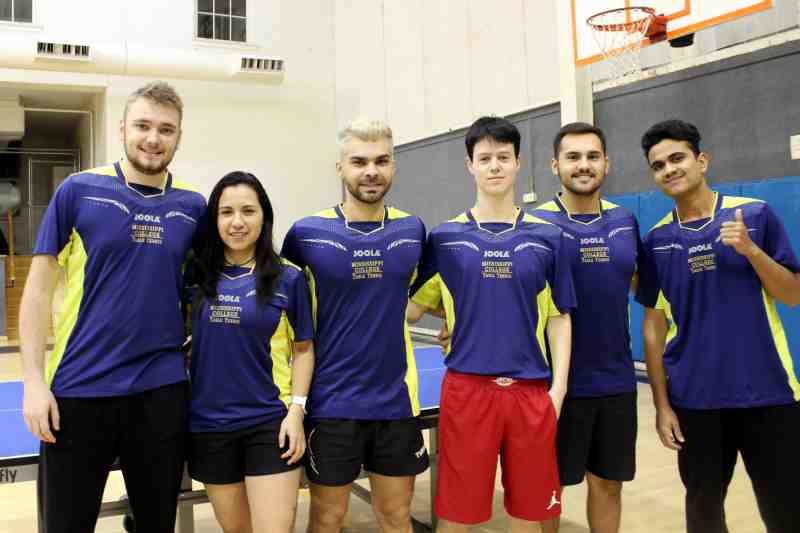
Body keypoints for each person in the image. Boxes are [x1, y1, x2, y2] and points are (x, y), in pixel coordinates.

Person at [19, 81, 206, 533]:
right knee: (65, 524)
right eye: (143, 125)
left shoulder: (194, 207)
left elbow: (211, 290)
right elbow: (38, 291)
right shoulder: (79, 191)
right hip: (81, 388)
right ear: (122, 127)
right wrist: (33, 383)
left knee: (155, 524)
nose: (153, 138)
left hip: (161, 393)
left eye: (166, 129)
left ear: (178, 136)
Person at [408, 116, 575, 532]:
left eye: (504, 157)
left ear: (518, 162)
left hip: (530, 391)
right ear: (470, 166)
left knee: (533, 514)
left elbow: (559, 316)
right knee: (457, 516)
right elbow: (410, 308)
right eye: (485, 158)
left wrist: (559, 389)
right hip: (467, 390)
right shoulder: (444, 239)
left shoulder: (548, 235)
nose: (495, 166)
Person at [636, 119, 800, 533]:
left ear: (701, 160)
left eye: (677, 158)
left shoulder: (755, 217)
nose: (669, 169)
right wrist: (661, 404)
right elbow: (653, 327)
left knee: (786, 511)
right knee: (704, 513)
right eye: (658, 166)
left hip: (768, 393)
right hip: (695, 401)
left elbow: (794, 294)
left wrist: (750, 250)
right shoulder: (656, 242)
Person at [281, 118, 429, 533]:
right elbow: (281, 306)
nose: (371, 171)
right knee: (328, 518)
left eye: (381, 160)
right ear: (340, 168)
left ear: (394, 166)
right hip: (331, 405)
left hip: (395, 403)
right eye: (359, 161)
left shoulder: (412, 230)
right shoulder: (307, 234)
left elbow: (429, 292)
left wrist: (456, 321)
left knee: (396, 517)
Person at [188, 171, 314, 533]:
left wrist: (297, 412)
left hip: (269, 424)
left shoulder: (288, 278)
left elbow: (303, 349)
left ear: (264, 216)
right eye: (226, 212)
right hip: (209, 426)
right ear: (215, 220)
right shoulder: (194, 277)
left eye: (248, 211)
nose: (237, 222)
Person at [535, 123, 639, 533]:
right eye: (573, 157)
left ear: (607, 164)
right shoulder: (536, 223)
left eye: (592, 156)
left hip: (615, 381)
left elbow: (638, 282)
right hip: (552, 384)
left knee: (609, 484)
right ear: (555, 164)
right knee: (548, 490)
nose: (584, 165)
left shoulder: (625, 221)